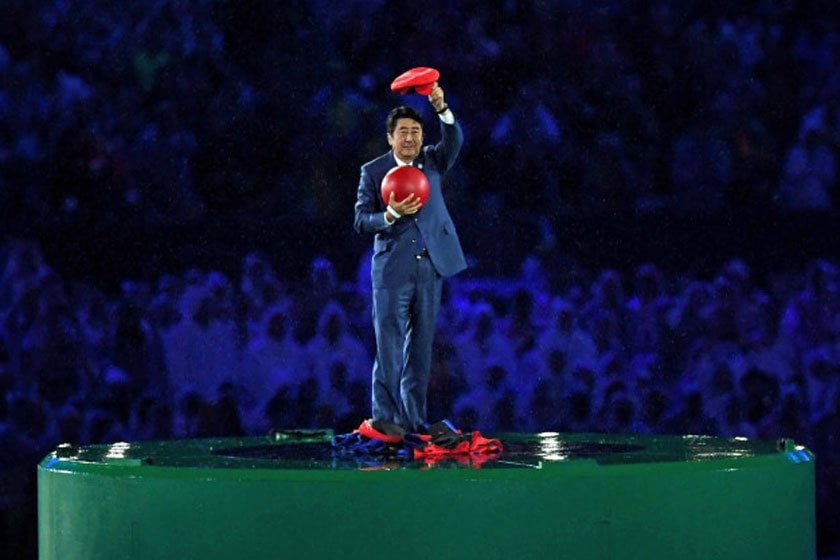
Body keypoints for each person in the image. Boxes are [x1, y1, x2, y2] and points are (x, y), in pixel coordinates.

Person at [353, 81, 465, 432]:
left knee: (421, 348)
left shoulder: (432, 159)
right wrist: (389, 215)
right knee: (389, 344)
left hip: (429, 266)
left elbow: (455, 141)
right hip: (391, 270)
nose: (410, 138)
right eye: (403, 132)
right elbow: (360, 220)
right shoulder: (372, 171)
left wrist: (442, 108)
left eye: (416, 131)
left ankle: (414, 419)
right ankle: (385, 418)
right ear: (390, 137)